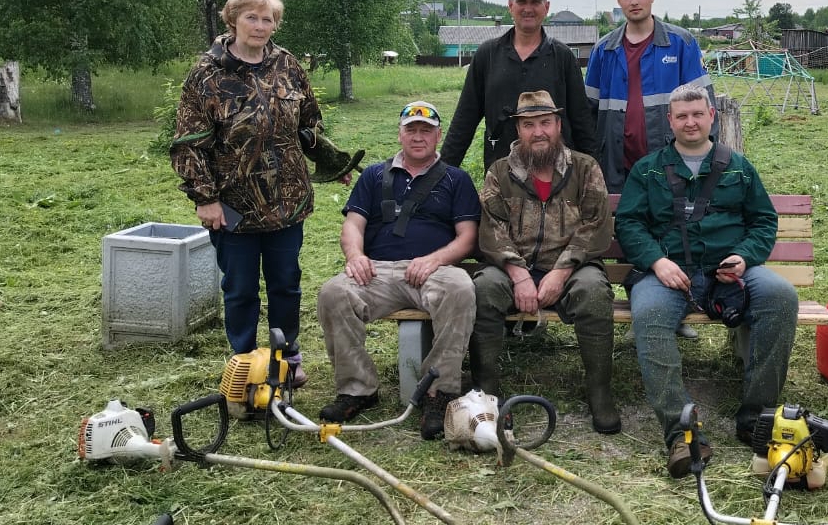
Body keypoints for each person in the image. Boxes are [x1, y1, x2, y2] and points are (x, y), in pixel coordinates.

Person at [615, 85, 799, 478]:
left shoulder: (738, 167)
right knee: (647, 313)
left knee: (781, 296)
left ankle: (757, 417)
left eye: (697, 114)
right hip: (668, 275)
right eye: (681, 116)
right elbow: (629, 223)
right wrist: (656, 261)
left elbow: (764, 220)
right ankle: (683, 434)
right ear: (670, 121)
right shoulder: (647, 169)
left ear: (711, 116)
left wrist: (745, 257)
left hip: (729, 274)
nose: (690, 122)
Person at [171, 0, 325, 386]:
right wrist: (206, 199)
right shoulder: (207, 74)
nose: (261, 26)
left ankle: (286, 359)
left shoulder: (288, 65)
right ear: (233, 20)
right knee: (239, 289)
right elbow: (188, 144)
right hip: (233, 208)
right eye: (252, 18)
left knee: (286, 285)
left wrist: (327, 158)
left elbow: (309, 122)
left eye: (268, 18)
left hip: (287, 203)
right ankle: (244, 364)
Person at [316, 101, 479, 439]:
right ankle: (357, 389)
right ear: (400, 133)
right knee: (333, 292)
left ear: (438, 135)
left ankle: (439, 391)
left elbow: (467, 238)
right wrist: (355, 256)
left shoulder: (456, 179)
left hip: (432, 270)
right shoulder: (375, 175)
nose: (418, 137)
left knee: (461, 288)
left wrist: (435, 259)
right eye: (411, 129)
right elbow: (353, 225)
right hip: (376, 271)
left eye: (426, 130)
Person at [469, 90, 621, 434]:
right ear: (518, 130)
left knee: (595, 291)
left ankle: (599, 391)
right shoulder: (500, 172)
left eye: (545, 123)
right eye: (528, 125)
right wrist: (518, 273)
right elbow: (491, 228)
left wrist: (561, 271)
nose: (538, 132)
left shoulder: (584, 168)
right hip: (511, 267)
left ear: (558, 125)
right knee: (484, 289)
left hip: (572, 267)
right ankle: (485, 391)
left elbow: (596, 226)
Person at [442, 0, 597, 172]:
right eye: (521, 1)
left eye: (535, 2)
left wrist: (593, 172)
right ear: (510, 6)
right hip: (502, 175)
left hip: (556, 176)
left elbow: (582, 122)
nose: (528, 8)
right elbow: (464, 119)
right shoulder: (487, 55)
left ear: (546, 8)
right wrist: (442, 175)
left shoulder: (563, 57)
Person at [584, 0, 716, 194]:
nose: (634, 1)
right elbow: (587, 114)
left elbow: (706, 109)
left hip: (672, 165)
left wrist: (704, 161)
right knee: (623, 227)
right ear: (619, 0)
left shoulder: (681, 43)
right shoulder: (603, 50)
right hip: (616, 168)